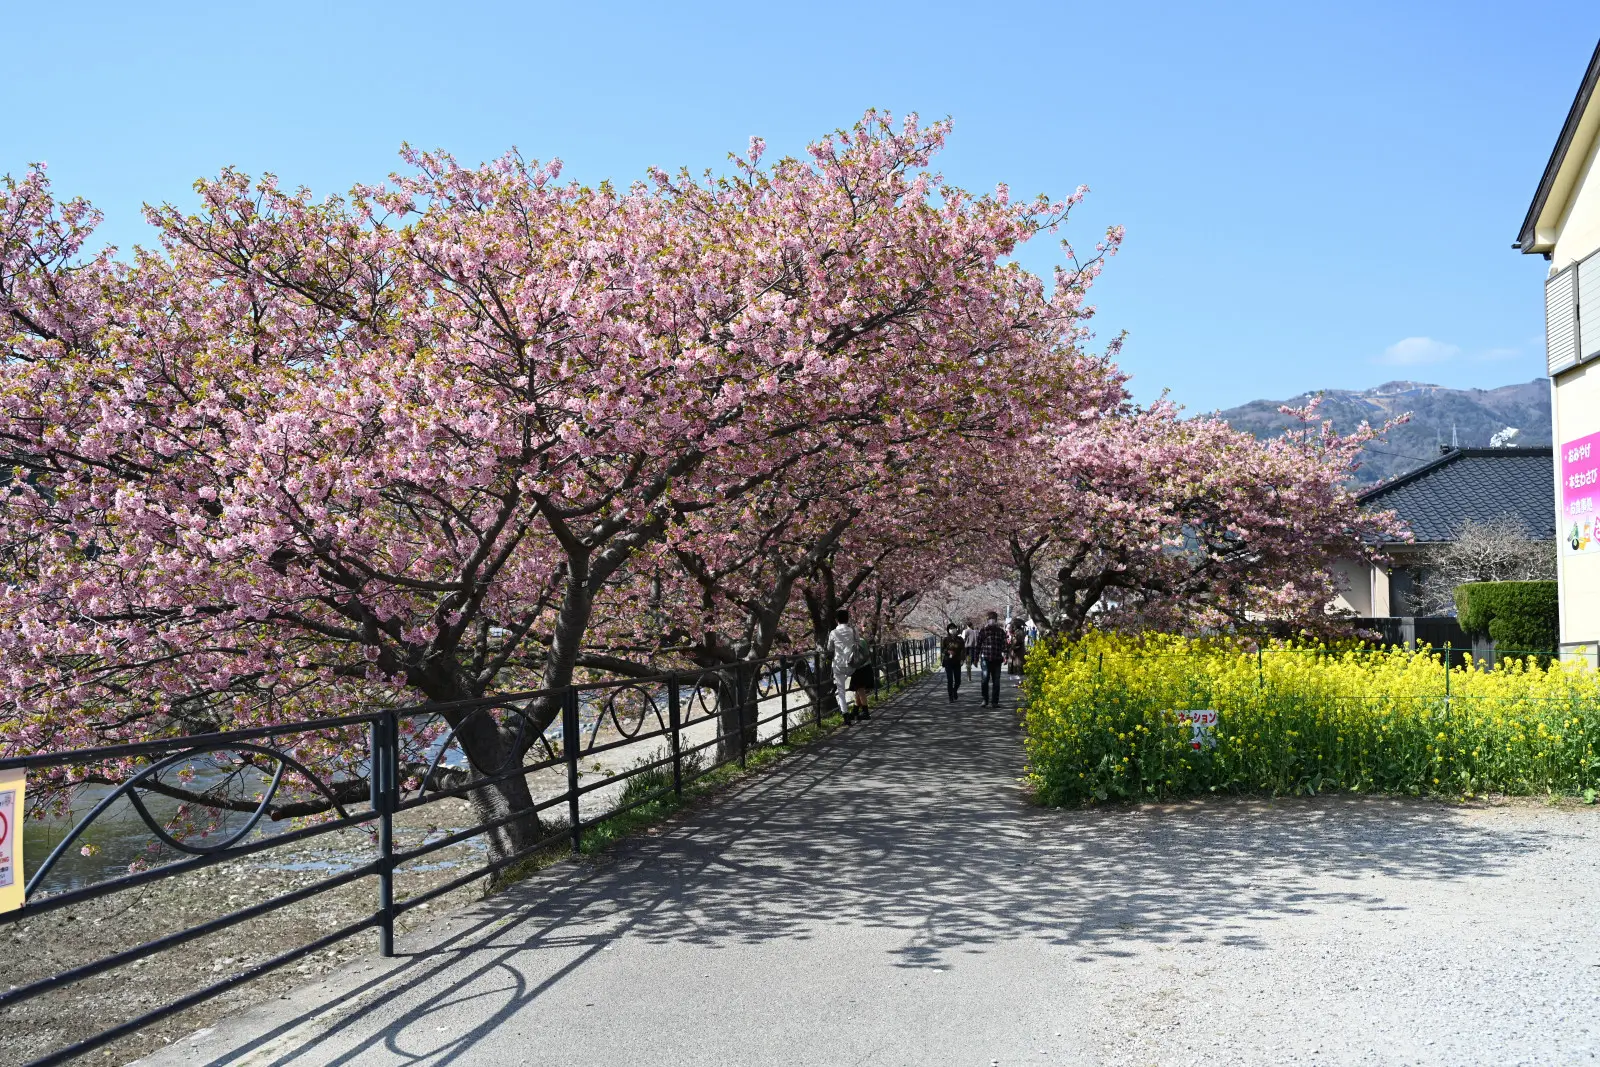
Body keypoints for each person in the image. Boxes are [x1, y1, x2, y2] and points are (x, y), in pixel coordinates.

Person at [826, 608, 871, 724]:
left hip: (838, 664)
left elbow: (829, 649)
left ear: (837, 620)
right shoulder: (853, 630)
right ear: (847, 619)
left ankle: (846, 715)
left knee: (841, 691)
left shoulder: (833, 633)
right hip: (853, 664)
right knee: (858, 686)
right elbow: (857, 642)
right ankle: (859, 710)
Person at [975, 611, 1009, 707]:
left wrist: (1005, 656)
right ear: (987, 620)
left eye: (993, 618)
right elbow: (978, 645)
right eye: (990, 618)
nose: (992, 620)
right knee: (985, 680)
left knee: (996, 681)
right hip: (985, 658)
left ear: (996, 620)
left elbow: (1004, 645)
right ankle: (985, 699)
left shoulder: (1000, 632)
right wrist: (976, 658)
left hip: (997, 659)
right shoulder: (983, 631)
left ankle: (995, 702)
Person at [940, 622, 966, 703]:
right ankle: (950, 696)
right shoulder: (945, 639)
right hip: (948, 661)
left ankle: (955, 690)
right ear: (948, 630)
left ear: (956, 629)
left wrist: (962, 659)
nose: (952, 630)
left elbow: (963, 650)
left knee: (958, 680)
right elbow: (942, 649)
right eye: (950, 629)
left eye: (953, 628)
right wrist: (948, 652)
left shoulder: (960, 639)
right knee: (950, 679)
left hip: (957, 661)